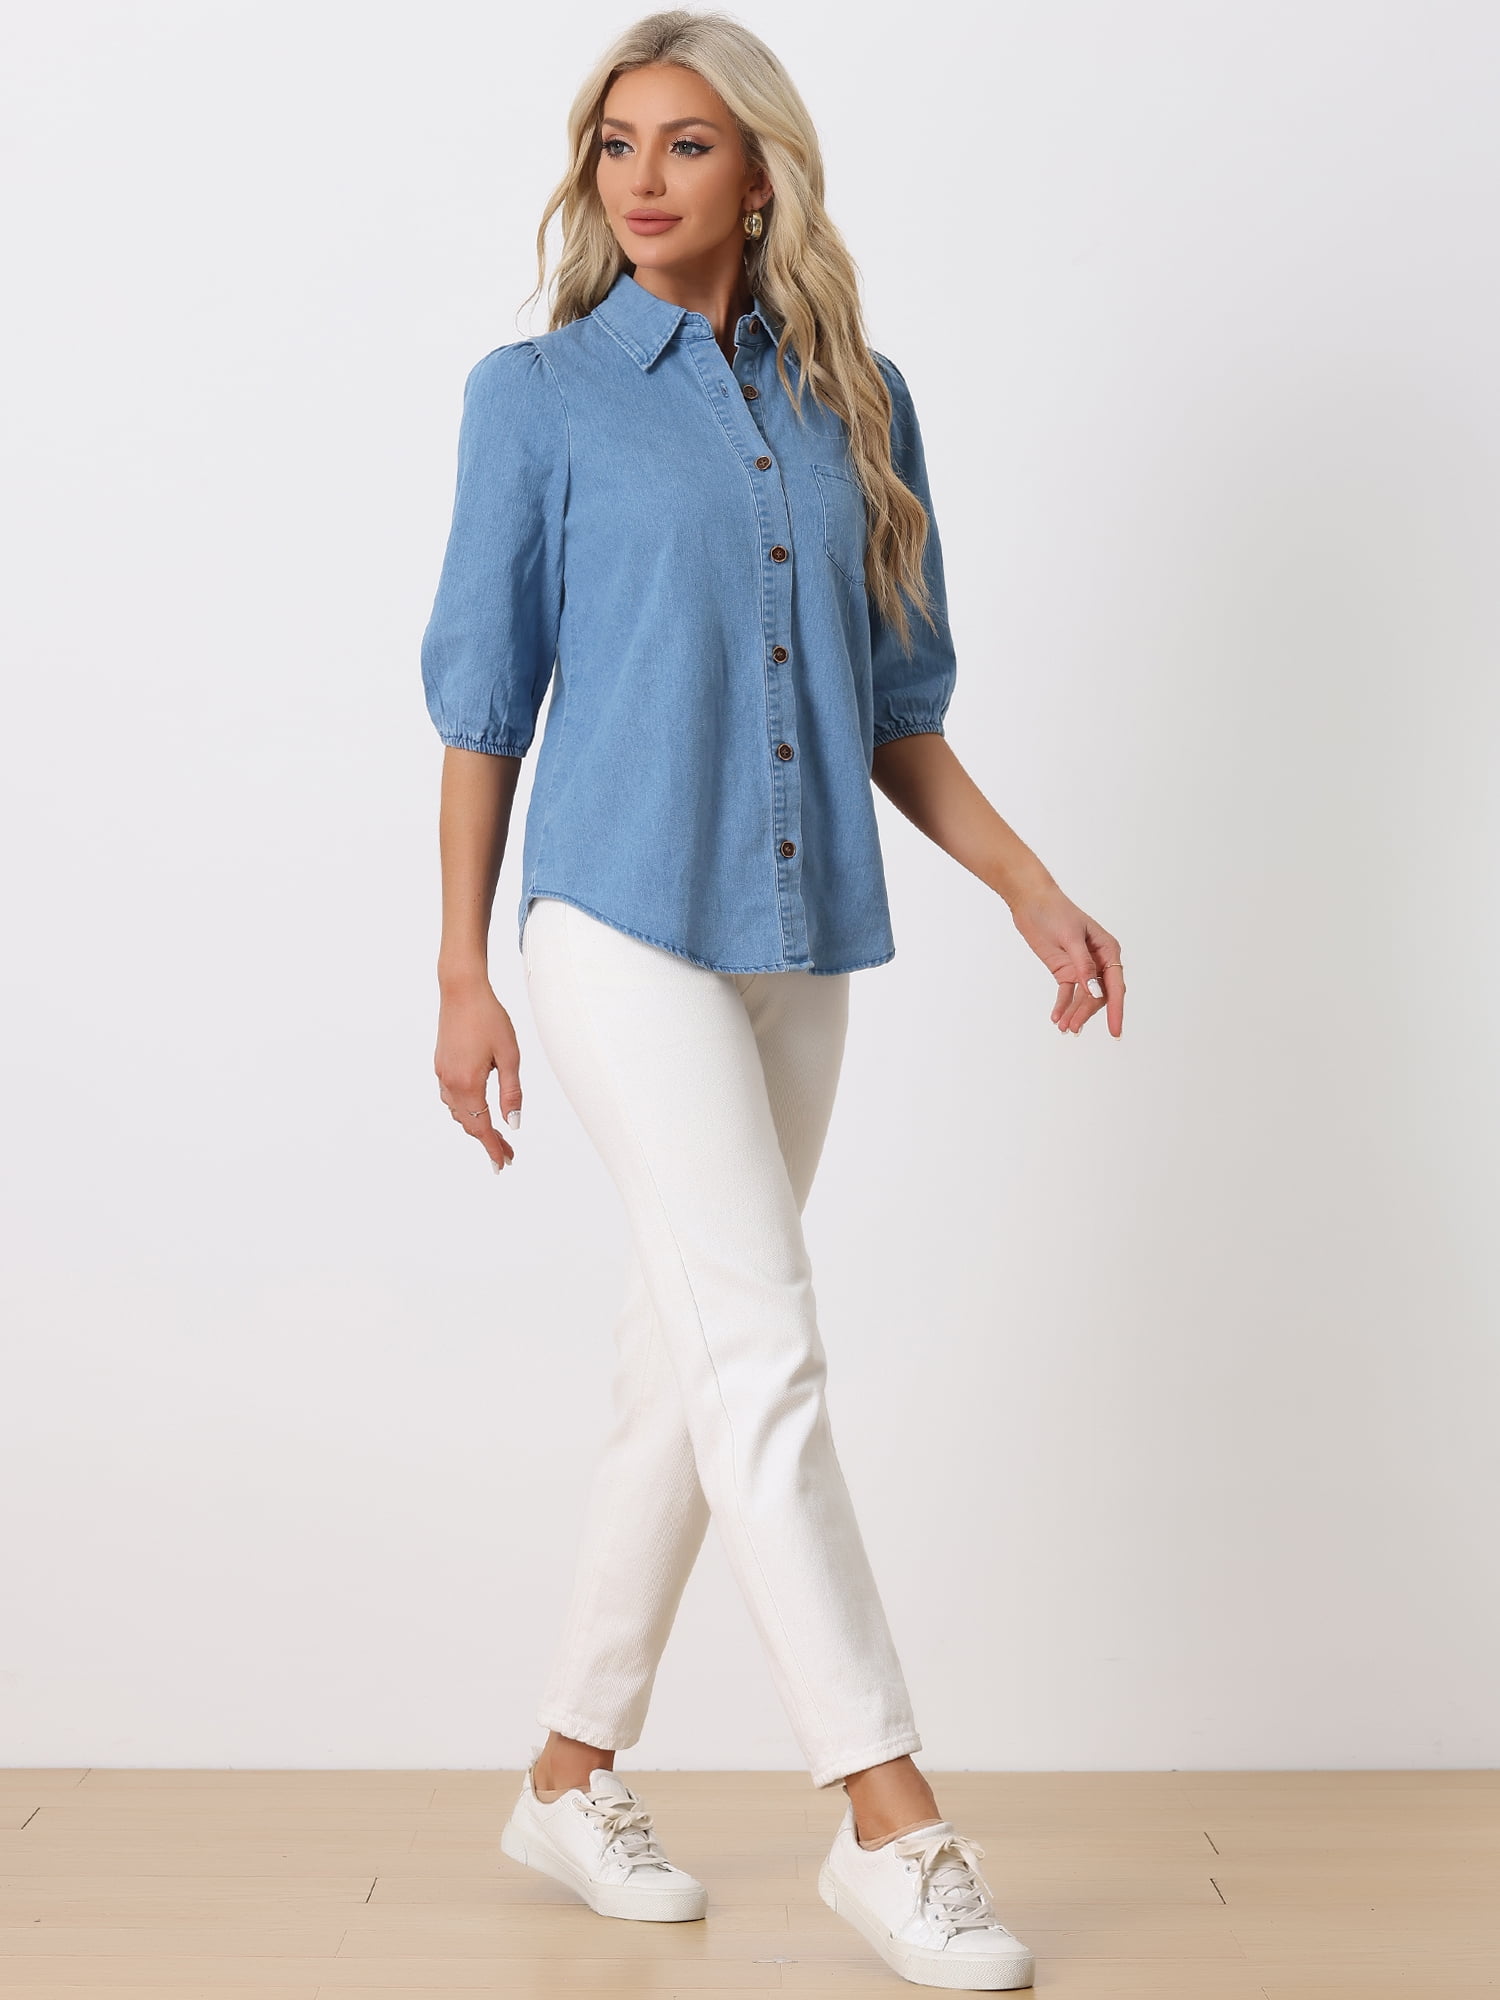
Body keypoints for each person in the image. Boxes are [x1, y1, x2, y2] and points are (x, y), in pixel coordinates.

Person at [420, 11, 1124, 1990]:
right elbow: (482, 705)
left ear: (762, 175)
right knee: (766, 1350)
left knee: (689, 1363)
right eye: (617, 143)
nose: (643, 177)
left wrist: (1032, 891)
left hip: (796, 938)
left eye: (688, 143)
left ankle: (567, 1772)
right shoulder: (537, 397)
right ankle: (890, 1818)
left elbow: (896, 711)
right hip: (614, 922)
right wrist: (461, 968)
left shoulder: (859, 401)